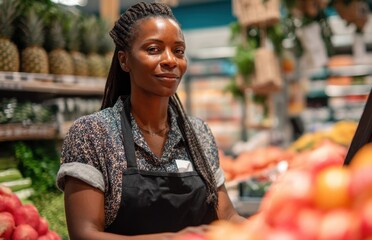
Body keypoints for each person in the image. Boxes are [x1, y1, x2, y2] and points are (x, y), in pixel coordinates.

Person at [56, 2, 246, 239]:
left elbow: (227, 216)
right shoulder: (93, 133)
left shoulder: (198, 132)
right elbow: (85, 234)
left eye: (178, 51)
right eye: (154, 49)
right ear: (124, 61)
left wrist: (268, 227)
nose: (170, 60)